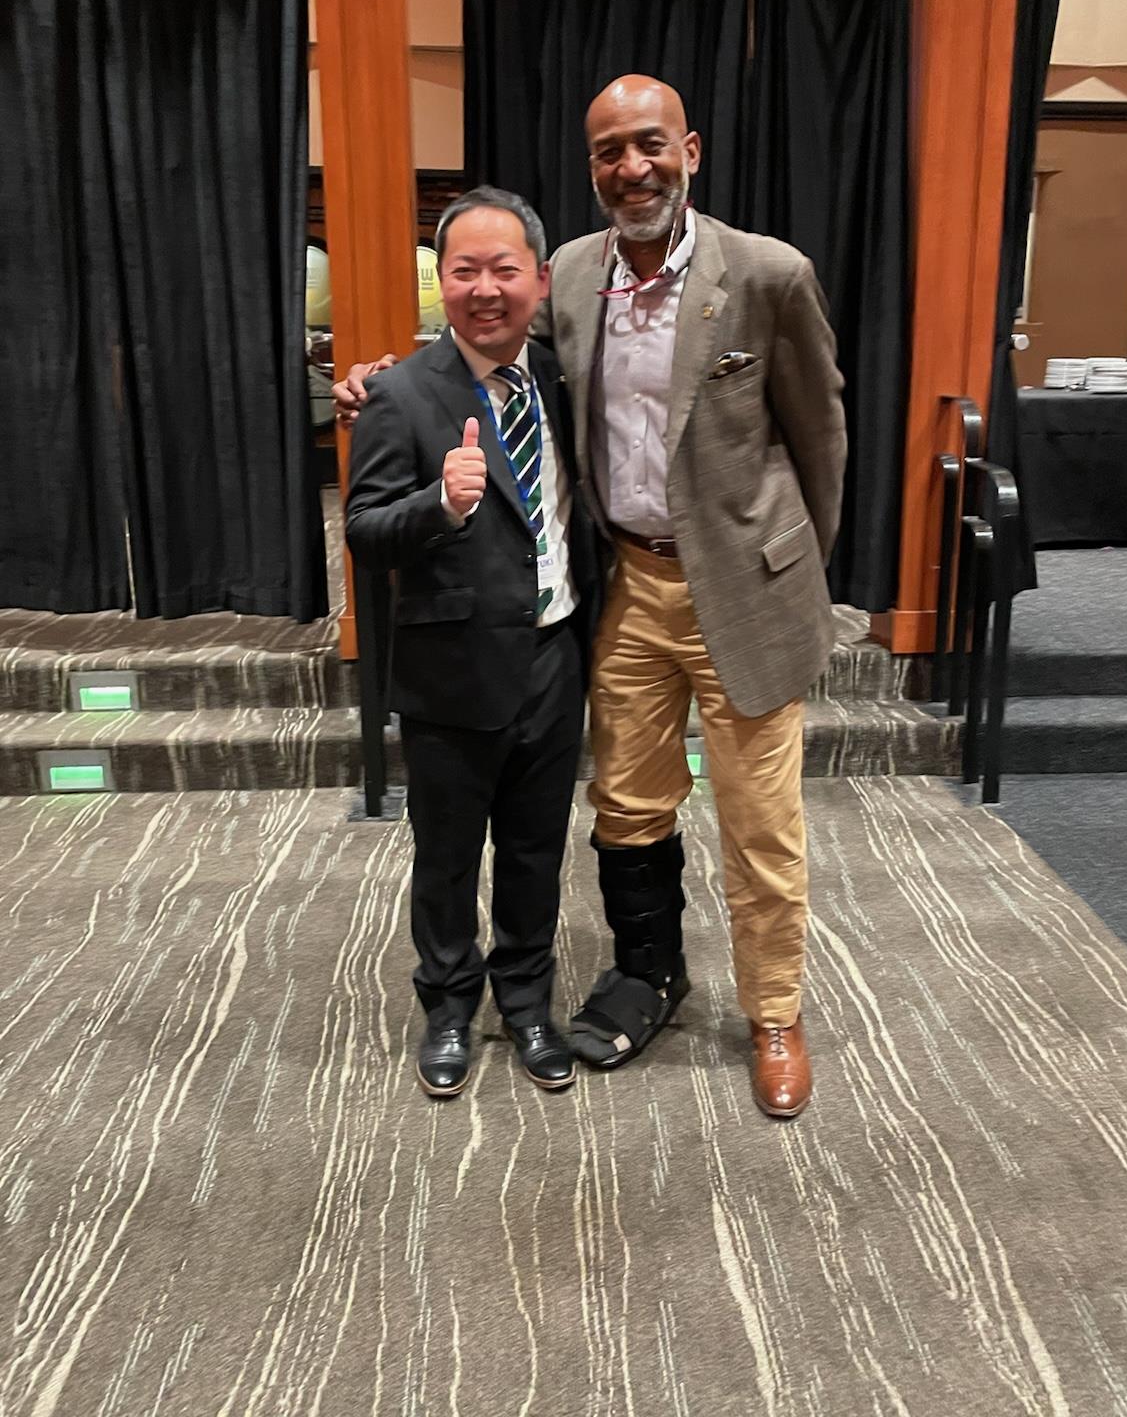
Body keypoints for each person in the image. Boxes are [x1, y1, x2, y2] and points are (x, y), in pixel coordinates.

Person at [338, 77, 845, 1120]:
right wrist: (392, 380)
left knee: (761, 820)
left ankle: (775, 1014)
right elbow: (490, 357)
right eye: (610, 151)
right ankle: (650, 976)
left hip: (743, 590)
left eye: (650, 144)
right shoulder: (568, 273)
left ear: (689, 150)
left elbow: (820, 435)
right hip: (625, 588)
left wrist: (794, 566)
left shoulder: (767, 273)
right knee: (627, 807)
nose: (632, 167)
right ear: (592, 167)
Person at [345, 186, 598, 1100]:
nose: (485, 290)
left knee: (536, 850)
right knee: (447, 857)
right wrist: (438, 504)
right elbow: (364, 532)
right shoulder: (400, 392)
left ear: (540, 279)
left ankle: (527, 1003)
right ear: (440, 282)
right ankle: (448, 1006)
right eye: (464, 272)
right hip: (450, 669)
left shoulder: (570, 383)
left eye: (504, 270)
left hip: (555, 656)